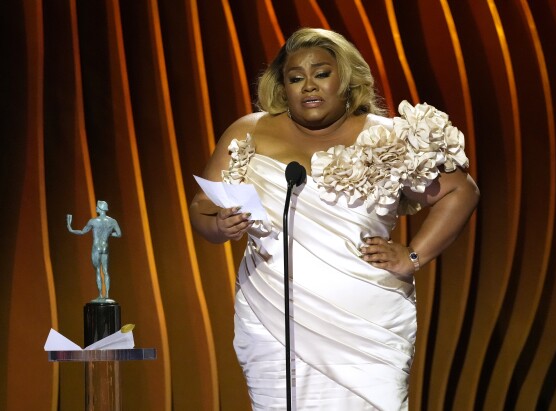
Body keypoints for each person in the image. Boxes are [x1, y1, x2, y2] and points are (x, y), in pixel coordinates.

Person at [189, 28, 479, 410]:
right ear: (282, 87)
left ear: (346, 78)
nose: (309, 86)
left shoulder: (388, 138)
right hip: (275, 324)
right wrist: (217, 224)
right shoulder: (250, 131)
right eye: (295, 78)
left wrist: (412, 256)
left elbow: (462, 191)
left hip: (367, 328)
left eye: (322, 73)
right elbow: (202, 207)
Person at [67, 200, 122, 301]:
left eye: (97, 207)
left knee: (98, 271)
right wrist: (109, 234)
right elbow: (119, 234)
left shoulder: (93, 221)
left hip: (96, 247)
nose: (96, 208)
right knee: (105, 271)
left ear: (100, 208)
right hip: (105, 246)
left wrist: (70, 228)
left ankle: (101, 295)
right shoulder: (112, 221)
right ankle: (107, 295)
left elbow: (82, 232)